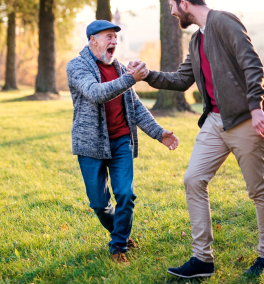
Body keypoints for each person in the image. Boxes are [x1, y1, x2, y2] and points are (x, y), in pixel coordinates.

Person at [127, 0, 264, 278]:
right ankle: (202, 259)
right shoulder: (196, 40)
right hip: (215, 121)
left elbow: (252, 64)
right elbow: (182, 79)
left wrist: (256, 107)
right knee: (193, 179)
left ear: (184, 4)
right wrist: (147, 75)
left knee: (257, 189)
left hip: (246, 120)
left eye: (172, 6)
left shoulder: (224, 22)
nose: (172, 13)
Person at [66, 20, 180, 266]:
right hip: (91, 145)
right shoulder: (76, 66)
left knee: (126, 194)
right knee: (99, 203)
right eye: (108, 36)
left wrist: (159, 133)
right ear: (93, 40)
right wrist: (130, 79)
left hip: (121, 142)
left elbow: (135, 107)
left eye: (116, 38)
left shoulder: (119, 67)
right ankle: (121, 232)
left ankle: (118, 244)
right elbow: (95, 93)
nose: (114, 42)